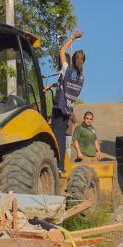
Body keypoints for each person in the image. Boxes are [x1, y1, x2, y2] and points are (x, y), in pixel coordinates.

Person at [45, 30, 85, 170]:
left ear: (72, 60)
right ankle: (61, 165)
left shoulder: (66, 68)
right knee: (61, 135)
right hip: (68, 108)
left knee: (57, 136)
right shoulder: (81, 76)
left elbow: (62, 51)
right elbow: (66, 85)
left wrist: (73, 38)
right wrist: (53, 85)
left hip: (58, 106)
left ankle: (58, 165)